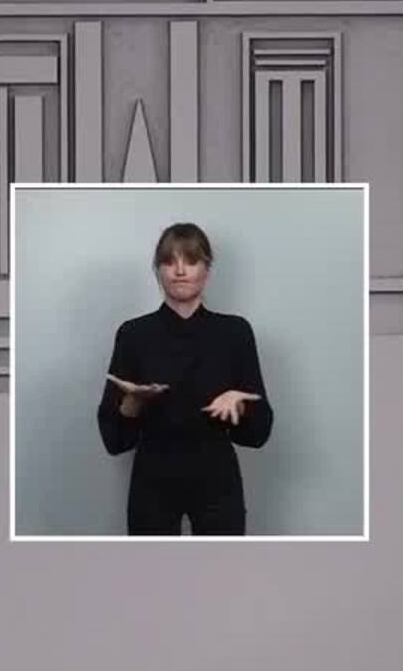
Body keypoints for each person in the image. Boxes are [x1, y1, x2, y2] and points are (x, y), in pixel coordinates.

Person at [98, 223, 272, 534]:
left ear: (207, 270)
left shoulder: (234, 333)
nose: (180, 271)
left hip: (217, 477)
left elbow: (258, 434)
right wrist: (132, 403)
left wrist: (240, 405)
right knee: (151, 565)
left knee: (223, 564)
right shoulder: (134, 334)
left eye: (191, 261)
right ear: (158, 270)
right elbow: (114, 440)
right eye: (169, 261)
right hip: (152, 479)